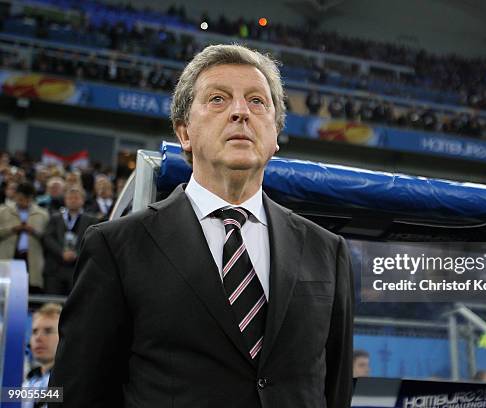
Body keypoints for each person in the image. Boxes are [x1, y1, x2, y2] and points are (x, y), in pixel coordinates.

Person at [50, 44, 354, 408]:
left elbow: (335, 392)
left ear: (275, 136)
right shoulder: (116, 247)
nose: (241, 111)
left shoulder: (327, 250)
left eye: (257, 101)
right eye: (217, 99)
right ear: (184, 133)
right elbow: (77, 394)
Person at [42, 186, 98, 295]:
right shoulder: (55, 218)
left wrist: (77, 253)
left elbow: (92, 241)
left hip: (78, 268)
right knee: (52, 302)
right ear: (65, 200)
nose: (73, 200)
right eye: (70, 198)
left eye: (76, 198)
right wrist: (61, 253)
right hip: (55, 267)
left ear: (82, 200)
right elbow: (48, 238)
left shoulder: (91, 219)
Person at [0, 182, 49, 293]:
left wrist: (34, 231)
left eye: (28, 199)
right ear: (16, 196)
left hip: (31, 258)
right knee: (6, 291)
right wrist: (12, 229)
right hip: (8, 255)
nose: (24, 202)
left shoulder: (42, 214)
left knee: (31, 289)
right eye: (21, 199)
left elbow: (47, 237)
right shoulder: (2, 211)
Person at [23, 303, 62, 408]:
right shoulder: (28, 381)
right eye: (34, 332)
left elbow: (59, 395)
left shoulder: (72, 380)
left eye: (48, 331)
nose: (38, 338)